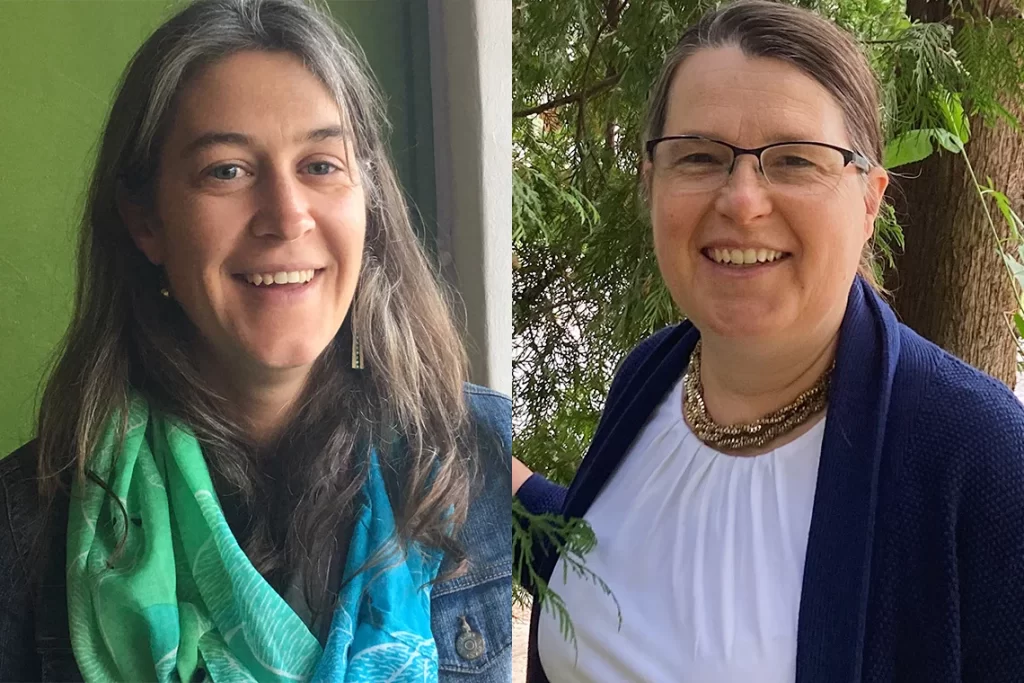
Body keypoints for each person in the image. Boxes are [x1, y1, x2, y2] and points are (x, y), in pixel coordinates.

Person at [0, 1, 511, 681]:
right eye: (227, 170)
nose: (286, 215)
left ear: (368, 201)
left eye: (321, 165)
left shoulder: (482, 456)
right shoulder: (25, 529)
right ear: (146, 220)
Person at [513, 1, 1024, 681]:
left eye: (793, 161)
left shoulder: (982, 461)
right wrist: (478, 459)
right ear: (651, 183)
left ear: (870, 200)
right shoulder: (652, 375)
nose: (743, 200)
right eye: (698, 156)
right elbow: (611, 579)